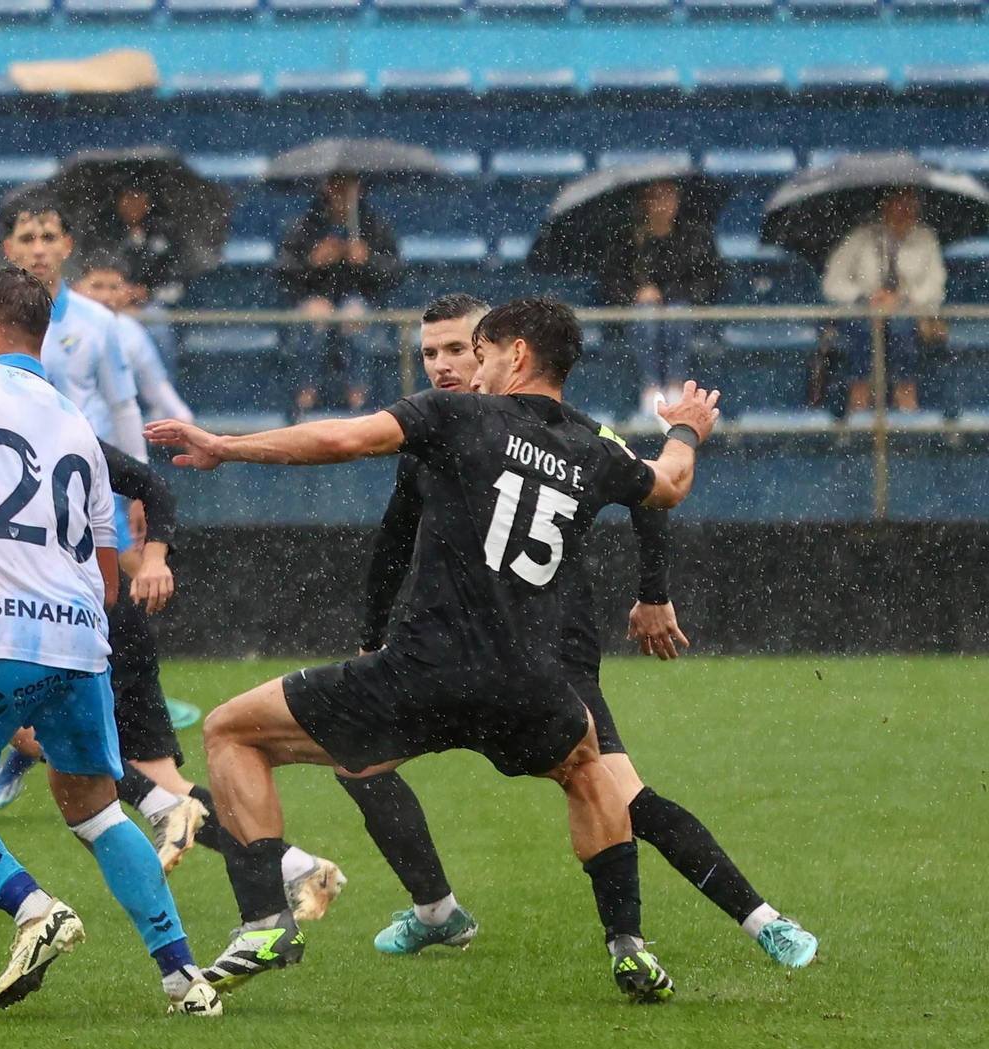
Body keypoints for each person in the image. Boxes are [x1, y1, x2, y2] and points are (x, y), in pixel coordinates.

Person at [145, 297, 722, 1004]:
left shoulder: (453, 417)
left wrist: (227, 445)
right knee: (591, 771)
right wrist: (687, 429)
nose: (467, 369)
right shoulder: (592, 450)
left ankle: (266, 919)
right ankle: (627, 944)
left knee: (228, 729)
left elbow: (339, 442)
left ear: (515, 354)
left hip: (423, 671)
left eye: (478, 353)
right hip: (531, 684)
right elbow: (669, 485)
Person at [344, 293, 819, 968]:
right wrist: (371, 637)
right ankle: (437, 910)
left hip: (545, 654)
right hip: (455, 653)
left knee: (624, 795)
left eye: (462, 350)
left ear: (506, 353)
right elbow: (394, 539)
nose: (447, 366)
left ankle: (763, 920)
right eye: (431, 353)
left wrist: (653, 593)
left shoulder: (564, 433)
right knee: (354, 757)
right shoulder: (434, 434)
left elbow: (648, 491)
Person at [0, 266, 221, 1016]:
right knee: (96, 810)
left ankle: (34, 909)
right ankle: (184, 977)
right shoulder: (71, 423)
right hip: (84, 642)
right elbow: (102, 564)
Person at [0, 193, 147, 459]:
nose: (39, 250)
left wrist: (141, 485)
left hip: (87, 480)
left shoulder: (99, 323)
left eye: (48, 237)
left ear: (67, 245)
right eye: (27, 239)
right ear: (9, 249)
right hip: (14, 480)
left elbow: (122, 407)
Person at [595, 180, 726, 417]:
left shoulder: (695, 235)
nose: (661, 204)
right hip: (639, 312)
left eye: (667, 196)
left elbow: (710, 280)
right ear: (644, 202)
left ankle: (676, 384)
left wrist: (673, 295)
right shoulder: (626, 238)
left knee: (676, 314)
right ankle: (651, 387)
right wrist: (636, 293)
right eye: (654, 197)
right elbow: (611, 282)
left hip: (685, 309)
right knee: (648, 317)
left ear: (678, 200)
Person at [276, 173, 402, 416]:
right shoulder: (305, 226)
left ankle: (358, 394)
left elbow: (393, 274)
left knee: (355, 314)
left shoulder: (375, 225)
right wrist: (311, 262)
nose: (342, 193)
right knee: (314, 316)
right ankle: (305, 394)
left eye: (349, 186)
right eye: (336, 186)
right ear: (325, 188)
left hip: (361, 302)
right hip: (315, 301)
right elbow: (284, 274)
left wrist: (368, 260)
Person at [823, 187, 945, 414]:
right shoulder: (861, 237)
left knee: (902, 326)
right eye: (899, 203)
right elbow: (833, 282)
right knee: (864, 327)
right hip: (863, 313)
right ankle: (859, 397)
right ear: (885, 206)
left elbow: (935, 287)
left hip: (909, 314)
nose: (905, 211)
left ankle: (905, 394)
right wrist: (866, 297)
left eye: (911, 204)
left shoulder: (926, 238)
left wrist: (902, 298)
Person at [73, 251, 195, 424]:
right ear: (78, 289)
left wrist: (183, 418)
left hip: (119, 437)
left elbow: (156, 387)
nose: (106, 296)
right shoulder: (54, 327)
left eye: (114, 287)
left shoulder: (132, 332)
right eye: (97, 286)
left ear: (127, 292)